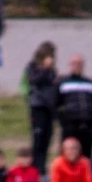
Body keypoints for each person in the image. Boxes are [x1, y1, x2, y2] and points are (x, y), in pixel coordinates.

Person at [56, 56, 92, 160]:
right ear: (70, 65)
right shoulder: (62, 83)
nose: (77, 66)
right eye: (74, 63)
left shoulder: (91, 83)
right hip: (70, 126)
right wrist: (63, 121)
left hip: (88, 126)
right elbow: (56, 104)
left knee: (86, 155)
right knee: (68, 154)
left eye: (79, 64)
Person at [24, 42, 58, 174]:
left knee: (47, 137)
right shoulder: (33, 66)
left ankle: (42, 167)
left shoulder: (52, 70)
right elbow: (34, 80)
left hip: (49, 107)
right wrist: (45, 69)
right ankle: (35, 167)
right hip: (38, 106)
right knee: (38, 137)